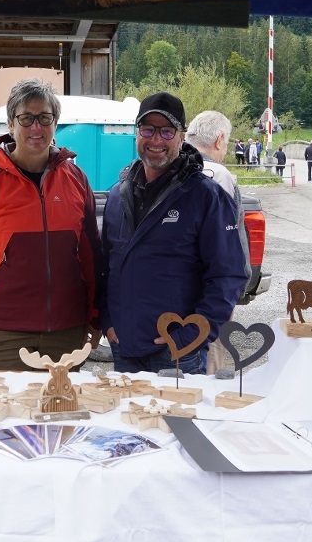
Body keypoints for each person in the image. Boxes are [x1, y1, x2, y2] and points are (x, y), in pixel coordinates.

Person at [0, 78, 101, 370]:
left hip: (66, 335)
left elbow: (91, 255)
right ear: (10, 124)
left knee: (63, 412)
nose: (36, 128)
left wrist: (95, 314)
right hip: (4, 335)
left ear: (56, 122)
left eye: (45, 118)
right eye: (26, 118)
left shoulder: (76, 180)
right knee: (6, 414)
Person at [99, 92, 247, 375]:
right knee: (127, 419)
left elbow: (228, 275)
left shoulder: (206, 197)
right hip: (125, 348)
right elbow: (106, 267)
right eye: (148, 130)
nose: (156, 140)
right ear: (136, 134)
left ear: (181, 137)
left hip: (178, 355)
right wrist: (108, 320)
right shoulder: (118, 195)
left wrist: (191, 335)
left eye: (166, 131)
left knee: (175, 421)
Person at [185, 110, 251, 375]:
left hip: (178, 285)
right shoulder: (219, 175)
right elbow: (228, 239)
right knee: (210, 353)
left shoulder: (167, 166)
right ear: (220, 139)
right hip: (210, 287)